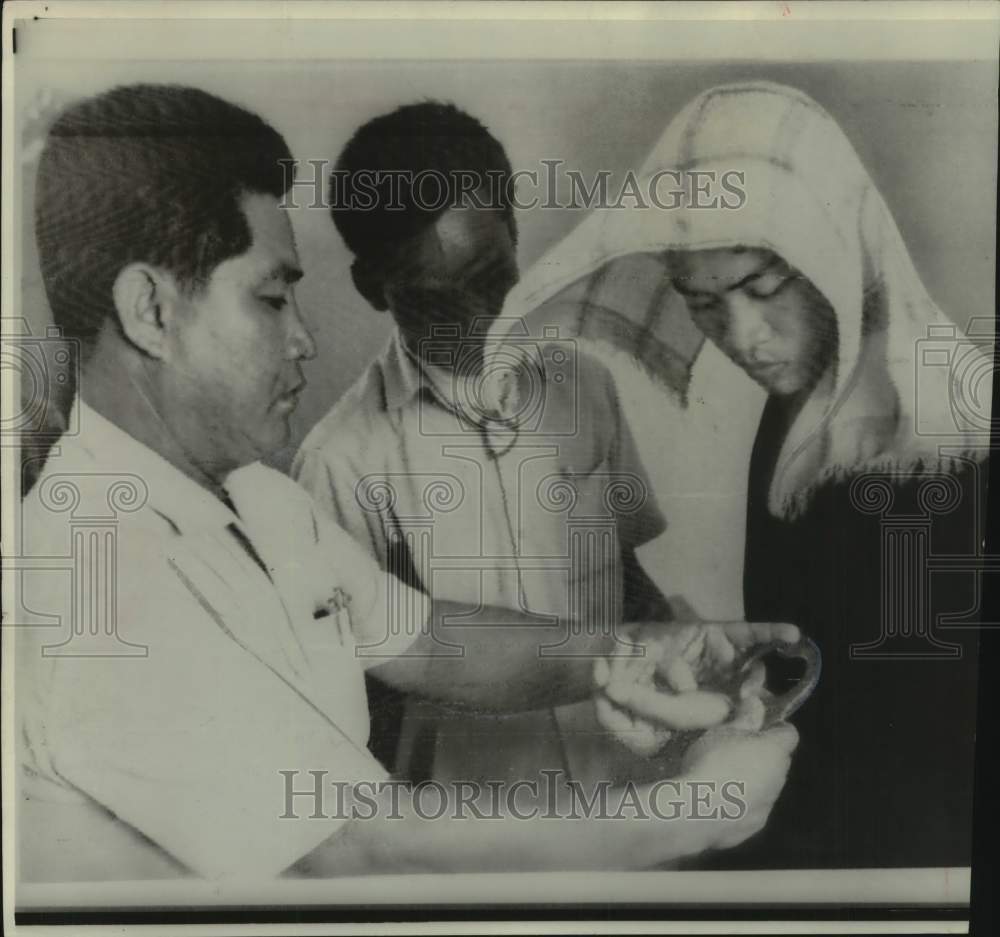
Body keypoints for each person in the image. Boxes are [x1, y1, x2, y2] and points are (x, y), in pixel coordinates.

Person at [14, 82, 797, 882]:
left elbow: (430, 641)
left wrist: (648, 645)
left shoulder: (259, 499)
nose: (305, 340)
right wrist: (697, 809)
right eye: (272, 297)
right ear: (149, 308)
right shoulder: (90, 582)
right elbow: (356, 844)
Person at [496, 81, 987, 869]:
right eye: (702, 305)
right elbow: (820, 663)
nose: (742, 338)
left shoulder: (945, 445)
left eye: (762, 290)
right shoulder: (801, 404)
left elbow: (923, 753)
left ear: (835, 253)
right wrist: (718, 702)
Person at [293, 102, 679, 790]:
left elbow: (625, 573)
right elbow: (339, 705)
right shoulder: (339, 464)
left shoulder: (586, 385)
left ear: (515, 230)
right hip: (475, 816)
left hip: (626, 782)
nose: (484, 322)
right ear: (371, 288)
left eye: (494, 280)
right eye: (439, 303)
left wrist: (694, 677)